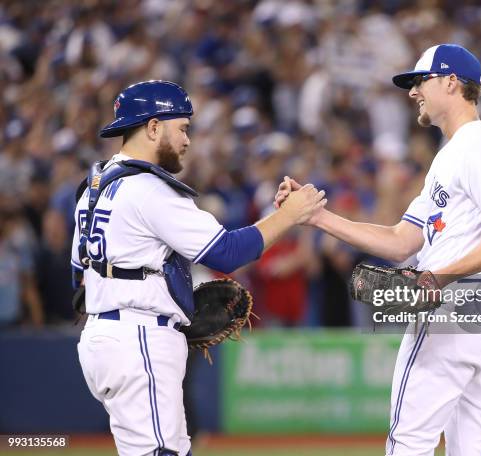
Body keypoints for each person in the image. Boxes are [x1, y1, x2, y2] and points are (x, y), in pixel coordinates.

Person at [276, 44, 481, 455]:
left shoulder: (475, 146)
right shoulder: (453, 155)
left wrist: (440, 277)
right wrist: (317, 217)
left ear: (451, 83)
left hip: (459, 304)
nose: (413, 92)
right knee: (473, 448)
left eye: (420, 81)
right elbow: (400, 242)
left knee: (409, 443)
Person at [72, 80, 326, 456]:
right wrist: (287, 216)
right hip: (137, 338)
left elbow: (79, 280)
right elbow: (225, 253)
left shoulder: (94, 187)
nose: (188, 140)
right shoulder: (149, 189)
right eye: (183, 128)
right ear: (154, 127)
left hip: (106, 335)